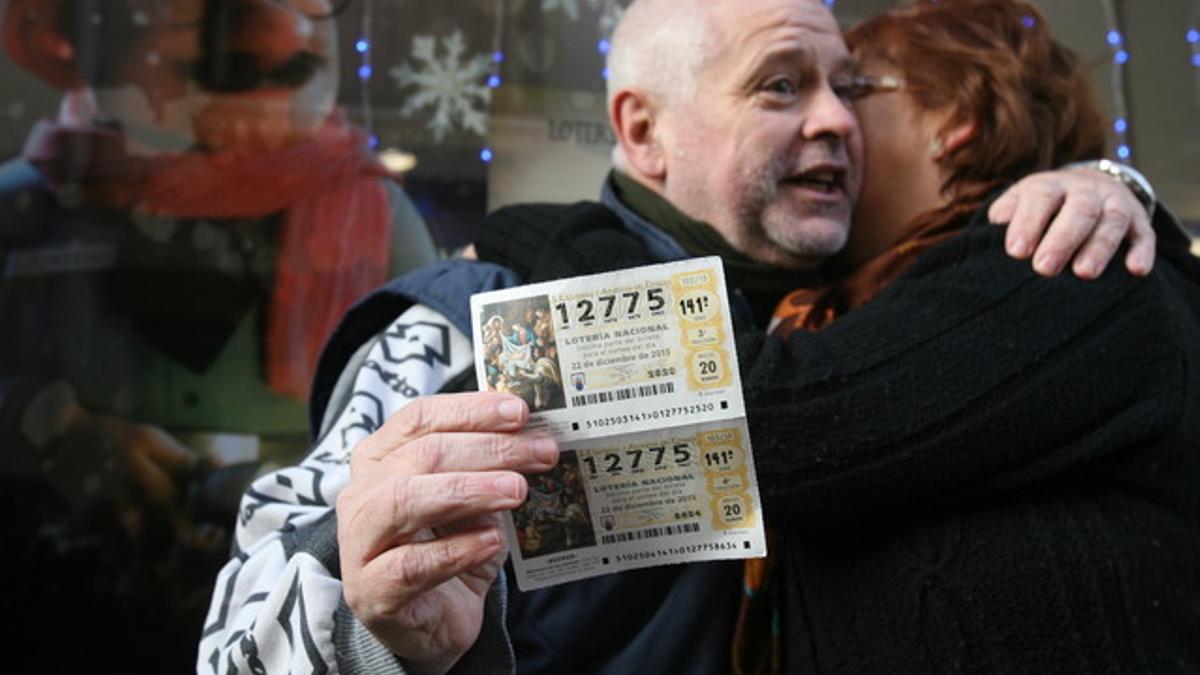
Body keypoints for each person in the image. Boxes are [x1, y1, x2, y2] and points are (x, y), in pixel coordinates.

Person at [196, 0, 1166, 673]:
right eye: (781, 87)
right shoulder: (472, 325)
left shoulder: (879, 323)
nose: (837, 122)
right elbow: (236, 651)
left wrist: (1103, 184)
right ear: (644, 131)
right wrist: (376, 641)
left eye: (847, 86)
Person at [733, 1, 1199, 671]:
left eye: (852, 88)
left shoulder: (1061, 265)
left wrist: (564, 238)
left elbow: (768, 423)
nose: (830, 119)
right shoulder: (861, 300)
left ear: (956, 120)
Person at [0, 0, 437, 671]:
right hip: (61, 594)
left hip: (283, 605)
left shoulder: (375, 216)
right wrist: (52, 426)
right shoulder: (26, 210)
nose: (279, 33)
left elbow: (418, 409)